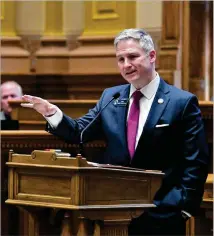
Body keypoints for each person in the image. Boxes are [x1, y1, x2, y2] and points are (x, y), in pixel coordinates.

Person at [21, 28, 209, 236]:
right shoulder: (111, 97)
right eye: (120, 59)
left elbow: (196, 161)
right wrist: (51, 112)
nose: (126, 64)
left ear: (152, 56)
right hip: (113, 212)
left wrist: (184, 208)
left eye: (132, 56)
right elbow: (80, 132)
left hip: (162, 210)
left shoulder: (181, 102)